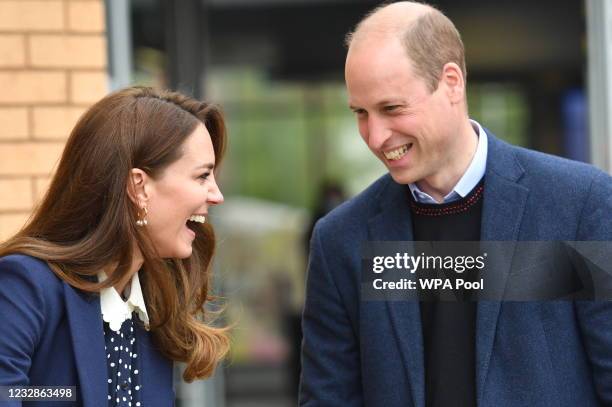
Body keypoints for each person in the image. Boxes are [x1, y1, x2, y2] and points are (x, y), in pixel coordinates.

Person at [299, 2, 612, 406]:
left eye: (392, 108)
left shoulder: (577, 205)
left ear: (451, 82)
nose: (375, 136)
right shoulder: (340, 239)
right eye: (361, 113)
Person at [0, 86, 230, 406]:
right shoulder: (25, 287)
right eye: (202, 176)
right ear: (139, 187)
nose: (216, 195)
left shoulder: (152, 302)